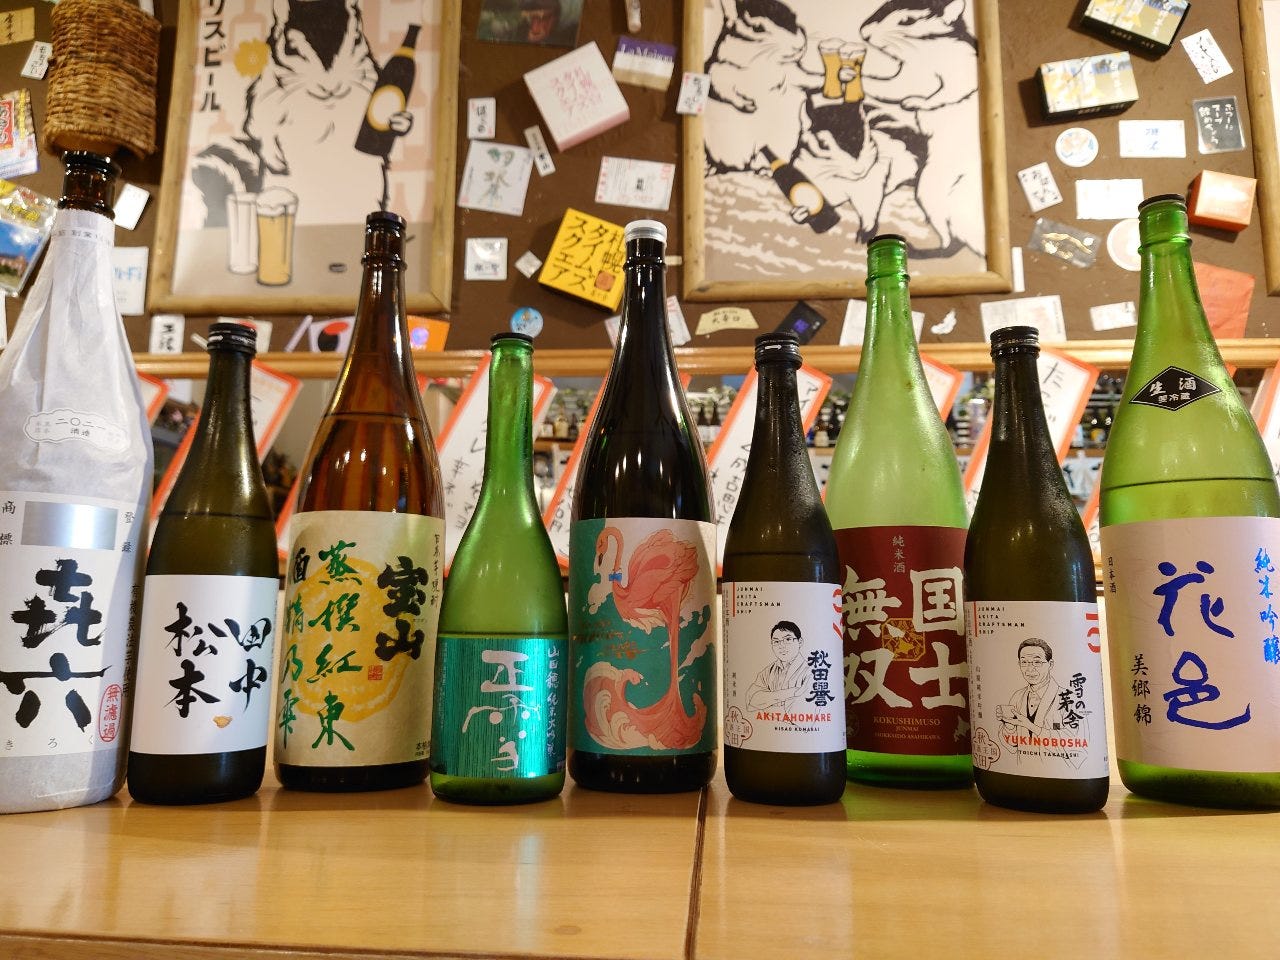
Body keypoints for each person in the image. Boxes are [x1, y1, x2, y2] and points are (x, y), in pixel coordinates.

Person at [996, 638, 1066, 738]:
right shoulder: (1017, 697)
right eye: (1024, 662)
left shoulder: (1066, 698)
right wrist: (1009, 725)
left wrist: (1029, 726)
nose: (1030, 669)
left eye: (1037, 662)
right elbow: (1011, 745)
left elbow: (1073, 738)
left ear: (1050, 664)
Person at [746, 620, 810, 711]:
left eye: (788, 639)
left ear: (800, 642)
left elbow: (801, 708)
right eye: (776, 642)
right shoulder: (768, 672)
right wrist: (792, 692)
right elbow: (751, 701)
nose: (781, 646)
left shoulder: (810, 670)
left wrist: (767, 700)